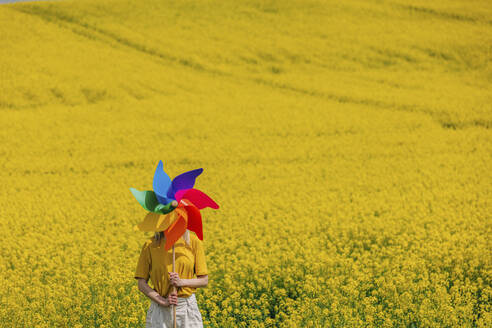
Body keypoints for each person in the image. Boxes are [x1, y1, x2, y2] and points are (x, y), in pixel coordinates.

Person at [135, 228, 209, 328]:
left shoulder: (193, 242)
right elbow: (141, 284)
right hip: (159, 308)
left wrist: (181, 282)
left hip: (187, 308)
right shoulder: (150, 245)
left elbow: (204, 280)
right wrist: (163, 301)